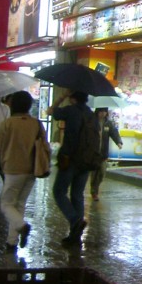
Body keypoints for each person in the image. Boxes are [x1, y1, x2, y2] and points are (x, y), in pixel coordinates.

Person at [0, 91, 44, 252]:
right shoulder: (36, 123)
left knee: (6, 204)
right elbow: (44, 144)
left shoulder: (8, 123)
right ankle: (12, 241)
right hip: (32, 170)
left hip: (12, 169)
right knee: (20, 204)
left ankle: (21, 226)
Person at [47, 90, 96, 247]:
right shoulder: (91, 114)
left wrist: (61, 97)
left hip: (70, 159)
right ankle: (75, 237)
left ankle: (75, 220)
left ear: (72, 98)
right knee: (77, 195)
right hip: (86, 160)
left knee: (59, 192)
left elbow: (51, 112)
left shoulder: (70, 110)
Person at [89, 107, 123, 201]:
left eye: (104, 111)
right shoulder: (92, 121)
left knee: (102, 173)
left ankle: (95, 187)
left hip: (103, 154)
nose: (103, 114)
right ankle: (94, 191)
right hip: (93, 153)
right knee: (94, 173)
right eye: (101, 111)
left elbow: (114, 133)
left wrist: (119, 142)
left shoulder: (108, 123)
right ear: (97, 112)